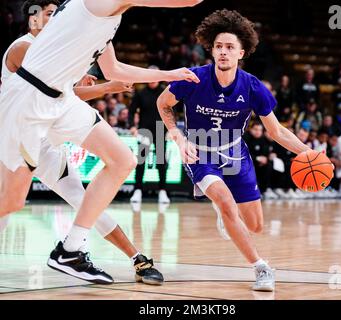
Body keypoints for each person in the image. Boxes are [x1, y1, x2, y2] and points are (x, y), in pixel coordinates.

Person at [0, 0, 202, 284]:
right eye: (45, 13)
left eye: (53, 12)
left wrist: (168, 74)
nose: (51, 17)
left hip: (61, 102)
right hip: (30, 104)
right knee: (11, 201)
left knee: (122, 161)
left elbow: (114, 69)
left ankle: (72, 250)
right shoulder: (91, 5)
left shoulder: (107, 20)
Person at [157, 9, 316, 292]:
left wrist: (307, 152)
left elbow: (276, 131)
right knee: (227, 204)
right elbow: (163, 103)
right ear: (211, 49)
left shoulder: (254, 88)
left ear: (241, 53)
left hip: (235, 154)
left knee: (255, 225)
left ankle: (226, 213)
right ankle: (261, 267)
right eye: (218, 46)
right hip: (200, 152)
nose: (223, 52)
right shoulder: (193, 78)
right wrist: (177, 137)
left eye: (230, 47)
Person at [129, 66, 170, 205]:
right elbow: (131, 110)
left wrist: (171, 129)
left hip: (160, 129)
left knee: (161, 162)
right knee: (141, 161)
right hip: (144, 131)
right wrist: (132, 126)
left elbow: (171, 110)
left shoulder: (165, 92)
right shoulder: (141, 93)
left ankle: (163, 191)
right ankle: (137, 190)